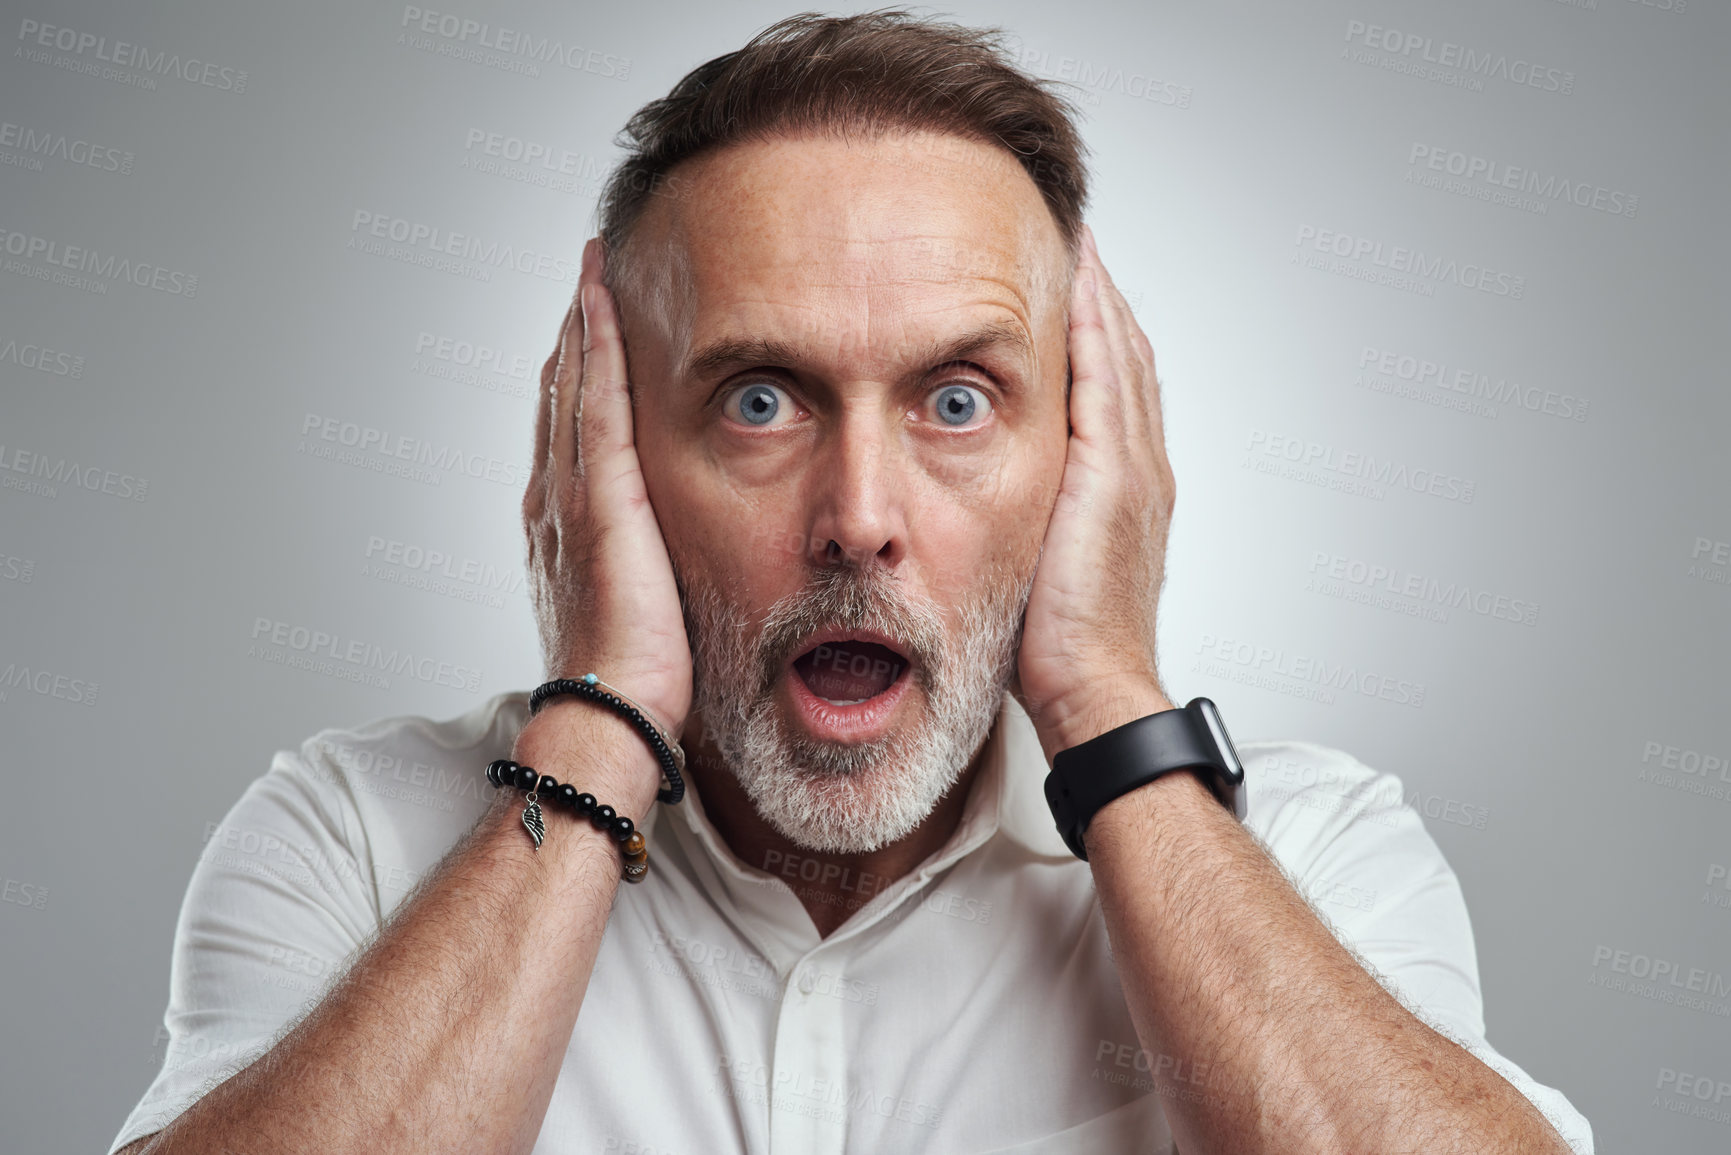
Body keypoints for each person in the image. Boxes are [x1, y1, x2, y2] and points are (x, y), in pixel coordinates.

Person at [111, 11, 1592, 1154]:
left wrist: (1106, 706)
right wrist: (601, 715)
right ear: (605, 443)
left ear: (1088, 446)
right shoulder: (358, 844)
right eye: (762, 400)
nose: (860, 520)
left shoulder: (1316, 857)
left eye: (958, 400)